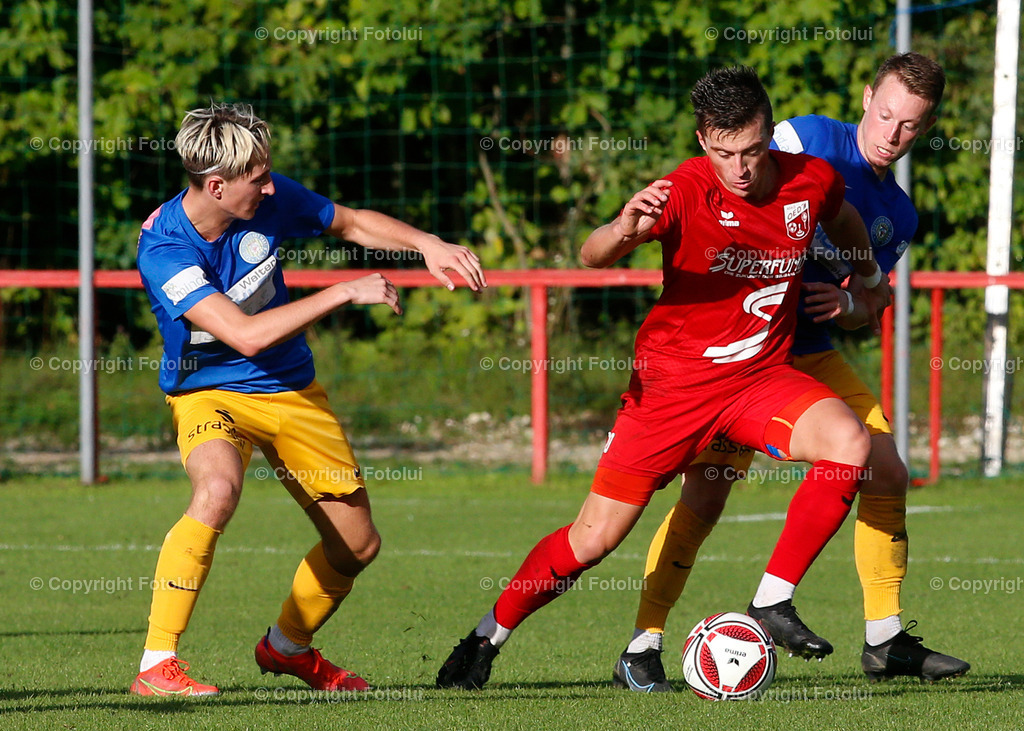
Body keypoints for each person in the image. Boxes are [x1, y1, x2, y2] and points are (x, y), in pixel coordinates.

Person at [436, 66, 892, 690]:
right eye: (724, 153)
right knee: (593, 539)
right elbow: (592, 255)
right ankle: (488, 635)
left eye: (751, 150)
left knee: (851, 443)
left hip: (760, 380)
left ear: (768, 133)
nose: (739, 168)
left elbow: (842, 219)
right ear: (703, 140)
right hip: (671, 391)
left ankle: (772, 600)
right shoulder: (681, 190)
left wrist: (868, 280)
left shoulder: (810, 179)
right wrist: (623, 227)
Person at [613, 52, 969, 693]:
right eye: (886, 114)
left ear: (928, 127)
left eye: (910, 125)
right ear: (867, 98)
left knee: (886, 468)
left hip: (808, 353)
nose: (892, 133)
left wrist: (850, 305)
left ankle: (884, 638)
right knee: (706, 495)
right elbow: (732, 178)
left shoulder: (899, 214)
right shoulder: (808, 140)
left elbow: (871, 304)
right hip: (735, 354)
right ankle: (643, 644)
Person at [130, 102, 486, 696]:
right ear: (216, 186)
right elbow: (244, 336)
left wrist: (427, 243)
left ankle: (287, 647)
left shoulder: (264, 198)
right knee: (216, 491)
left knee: (357, 545)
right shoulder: (165, 249)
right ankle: (156, 663)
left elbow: (351, 223)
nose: (270, 186)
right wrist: (343, 291)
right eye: (258, 178)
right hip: (208, 393)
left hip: (291, 388)